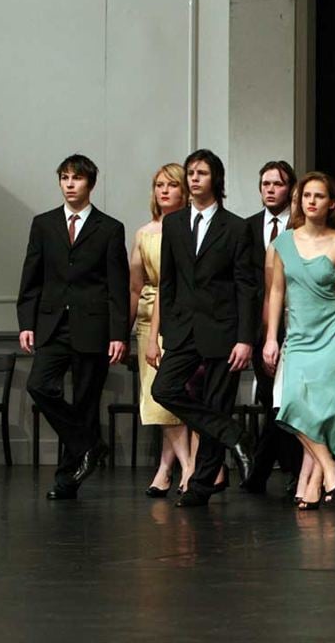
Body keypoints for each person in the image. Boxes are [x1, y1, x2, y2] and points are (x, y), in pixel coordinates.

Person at [148, 149, 258, 508]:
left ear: (216, 180)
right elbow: (168, 281)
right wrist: (166, 329)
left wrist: (245, 339)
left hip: (223, 331)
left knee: (216, 402)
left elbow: (246, 286)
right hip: (183, 329)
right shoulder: (175, 224)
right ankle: (231, 432)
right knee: (163, 389)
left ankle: (201, 486)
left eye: (202, 173)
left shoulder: (237, 227)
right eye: (191, 173)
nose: (194, 178)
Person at [18, 154, 129, 500]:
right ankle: (90, 445)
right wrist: (26, 322)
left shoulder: (109, 228)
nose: (69, 184)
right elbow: (31, 277)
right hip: (52, 325)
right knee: (39, 385)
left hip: (93, 328)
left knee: (84, 402)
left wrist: (118, 334)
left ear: (89, 184)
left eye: (76, 178)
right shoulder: (44, 224)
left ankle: (67, 479)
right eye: (64, 177)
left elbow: (117, 285)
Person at [263, 172, 335, 509]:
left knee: (321, 411)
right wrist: (271, 337)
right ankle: (328, 467)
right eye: (306, 195)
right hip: (298, 336)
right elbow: (277, 291)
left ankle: (313, 483)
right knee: (291, 404)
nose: (310, 201)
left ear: (331, 203)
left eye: (318, 196)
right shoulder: (282, 243)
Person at [130, 163, 193, 496]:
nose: (164, 191)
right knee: (155, 397)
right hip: (147, 319)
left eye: (171, 185)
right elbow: (135, 285)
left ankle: (180, 467)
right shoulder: (144, 233)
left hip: (180, 316)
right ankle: (172, 467)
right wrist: (121, 330)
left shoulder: (190, 228)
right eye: (158, 185)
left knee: (172, 395)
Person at [242, 160, 305, 496]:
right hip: (259, 327)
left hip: (298, 325)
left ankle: (266, 470)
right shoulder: (247, 228)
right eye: (265, 184)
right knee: (272, 402)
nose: (269, 189)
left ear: (290, 189)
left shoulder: (301, 228)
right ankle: (275, 469)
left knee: (289, 402)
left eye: (277, 184)